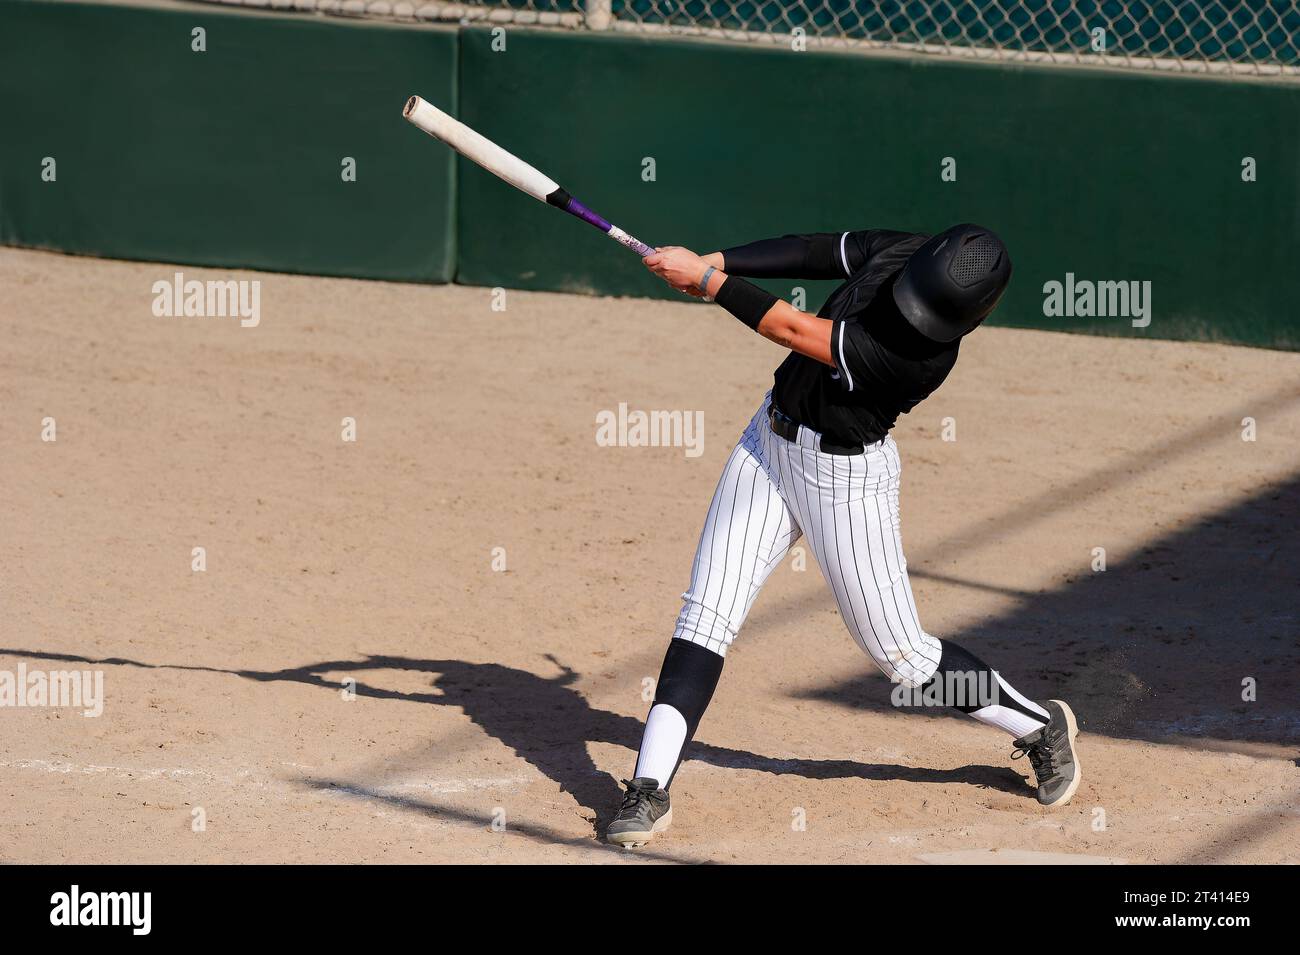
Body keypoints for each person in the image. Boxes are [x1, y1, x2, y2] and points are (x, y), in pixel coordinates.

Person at [604, 225, 1081, 848]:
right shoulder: (905, 249)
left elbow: (794, 331)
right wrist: (715, 260)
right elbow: (814, 252)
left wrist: (706, 281)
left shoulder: (921, 356)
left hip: (845, 483)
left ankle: (1038, 726)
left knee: (903, 658)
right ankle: (648, 788)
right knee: (705, 616)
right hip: (766, 446)